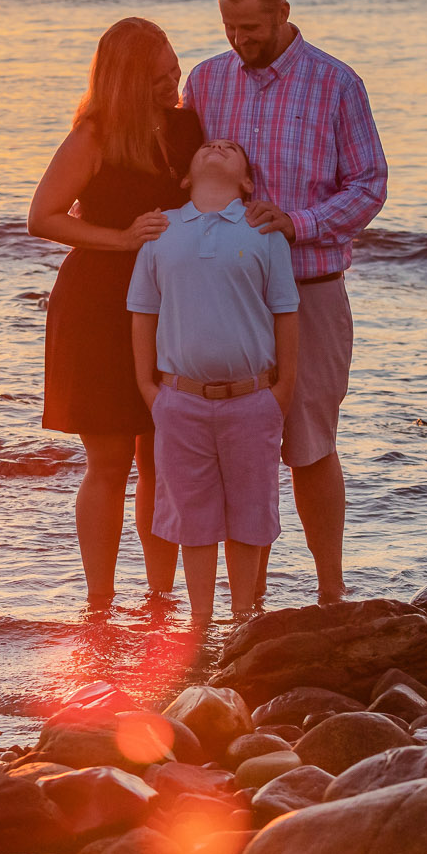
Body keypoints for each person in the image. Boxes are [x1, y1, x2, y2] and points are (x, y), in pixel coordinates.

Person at [183, 0, 386, 605]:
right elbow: (184, 175)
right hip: (226, 296)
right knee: (241, 451)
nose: (239, 39)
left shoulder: (336, 83)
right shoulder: (206, 80)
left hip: (310, 287)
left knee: (309, 444)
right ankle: (252, 604)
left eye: (250, 27)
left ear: (282, 12)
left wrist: (299, 223)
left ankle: (331, 592)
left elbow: (370, 185)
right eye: (228, 26)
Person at [29, 17, 203, 610]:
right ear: (127, 80)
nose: (172, 84)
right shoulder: (94, 137)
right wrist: (123, 238)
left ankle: (160, 597)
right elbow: (44, 217)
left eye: (175, 70)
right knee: (108, 461)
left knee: (162, 456)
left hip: (171, 307)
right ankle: (99, 601)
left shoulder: (186, 129)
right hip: (98, 306)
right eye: (159, 77)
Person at [128, 138, 298, 622]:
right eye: (205, 146)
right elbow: (143, 311)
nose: (217, 147)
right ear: (185, 176)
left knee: (251, 513)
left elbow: (287, 313)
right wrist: (148, 387)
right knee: (192, 518)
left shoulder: (262, 231)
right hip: (180, 399)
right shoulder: (163, 229)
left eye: (231, 148)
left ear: (247, 181)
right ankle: (200, 622)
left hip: (253, 397)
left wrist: (281, 391)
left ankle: (243, 617)